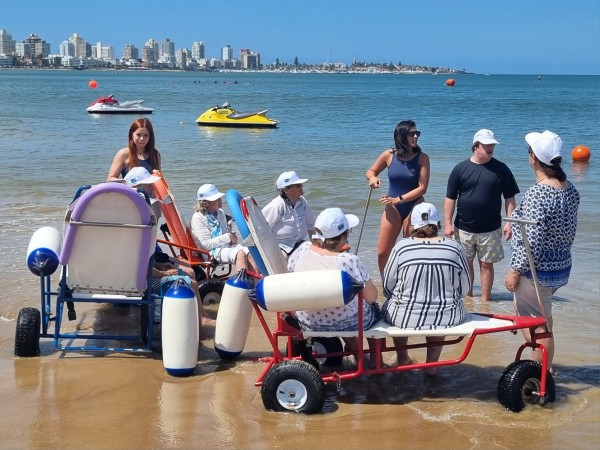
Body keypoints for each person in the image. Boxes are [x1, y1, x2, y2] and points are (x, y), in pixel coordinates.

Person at [504, 130, 580, 374]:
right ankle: (543, 368)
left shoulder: (539, 193)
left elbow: (533, 240)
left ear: (533, 158)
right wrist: (516, 220)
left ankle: (540, 374)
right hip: (559, 265)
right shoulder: (569, 189)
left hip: (537, 270)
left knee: (537, 324)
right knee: (542, 316)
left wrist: (515, 270)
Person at [382, 203, 471, 375]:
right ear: (437, 225)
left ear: (412, 226)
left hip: (404, 318)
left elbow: (387, 286)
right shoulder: (455, 247)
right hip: (448, 317)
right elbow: (465, 288)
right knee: (441, 306)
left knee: (397, 306)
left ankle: (403, 359)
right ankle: (431, 366)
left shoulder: (402, 247)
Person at [287, 207, 380, 365]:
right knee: (374, 309)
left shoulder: (301, 251)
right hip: (346, 323)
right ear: (342, 237)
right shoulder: (348, 260)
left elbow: (291, 271)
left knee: (341, 309)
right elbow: (371, 297)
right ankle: (375, 361)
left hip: (308, 321)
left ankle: (360, 357)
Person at [444, 129, 519, 302]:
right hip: (463, 226)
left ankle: (486, 301)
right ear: (476, 146)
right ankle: (468, 298)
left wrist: (509, 223)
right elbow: (450, 198)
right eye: (486, 145)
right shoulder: (460, 169)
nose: (490, 147)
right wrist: (447, 223)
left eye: (492, 144)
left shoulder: (501, 169)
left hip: (490, 228)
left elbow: (510, 198)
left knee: (486, 264)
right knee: (465, 264)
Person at [365, 120, 430, 275]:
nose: (416, 136)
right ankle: (387, 286)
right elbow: (371, 171)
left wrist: (400, 199)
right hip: (393, 207)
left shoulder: (422, 158)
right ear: (401, 135)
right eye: (412, 133)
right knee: (382, 252)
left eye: (417, 133)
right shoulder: (389, 155)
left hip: (414, 206)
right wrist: (372, 179)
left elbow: (422, 188)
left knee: (409, 253)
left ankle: (408, 285)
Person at [190, 184, 254, 272]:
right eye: (216, 199)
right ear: (205, 203)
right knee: (240, 254)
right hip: (211, 252)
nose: (220, 200)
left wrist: (232, 237)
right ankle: (244, 283)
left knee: (251, 252)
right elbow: (205, 245)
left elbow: (225, 233)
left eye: (219, 198)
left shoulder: (220, 212)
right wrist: (228, 237)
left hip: (226, 246)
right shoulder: (198, 217)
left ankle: (255, 281)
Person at [262, 170, 316, 257]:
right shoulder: (275, 206)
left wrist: (316, 245)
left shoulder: (303, 202)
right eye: (298, 185)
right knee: (284, 257)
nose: (301, 186)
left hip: (300, 243)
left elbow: (311, 226)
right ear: (286, 190)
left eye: (301, 184)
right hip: (280, 246)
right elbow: (261, 231)